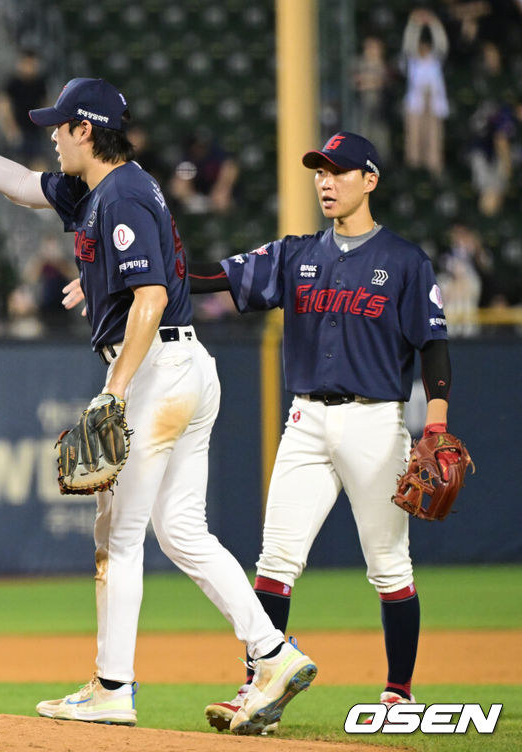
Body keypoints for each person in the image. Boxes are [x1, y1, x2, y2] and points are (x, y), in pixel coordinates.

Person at [0, 62, 316, 734]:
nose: (52, 139)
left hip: (157, 369)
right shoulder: (101, 192)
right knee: (183, 532)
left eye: (59, 128)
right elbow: (22, 188)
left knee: (119, 538)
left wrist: (114, 390)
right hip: (184, 366)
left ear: (86, 130)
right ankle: (272, 652)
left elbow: (152, 296)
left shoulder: (123, 197)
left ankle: (113, 687)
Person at [186, 131, 455, 726]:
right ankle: (261, 689)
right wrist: (152, 272)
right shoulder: (296, 254)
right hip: (306, 419)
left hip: (376, 422)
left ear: (370, 179)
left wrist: (434, 429)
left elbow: (433, 347)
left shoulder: (406, 261)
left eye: (338, 170)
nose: (325, 181)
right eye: (319, 171)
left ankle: (398, 694)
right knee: (275, 560)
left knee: (389, 566)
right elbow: (217, 279)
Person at [400, 8, 449, 178]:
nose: (424, 49)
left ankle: (434, 171)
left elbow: (441, 42)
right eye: (421, 46)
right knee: (413, 139)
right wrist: (414, 24)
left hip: (433, 104)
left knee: (434, 139)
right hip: (415, 104)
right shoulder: (413, 61)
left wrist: (434, 23)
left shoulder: (435, 60)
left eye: (427, 46)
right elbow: (408, 43)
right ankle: (413, 172)